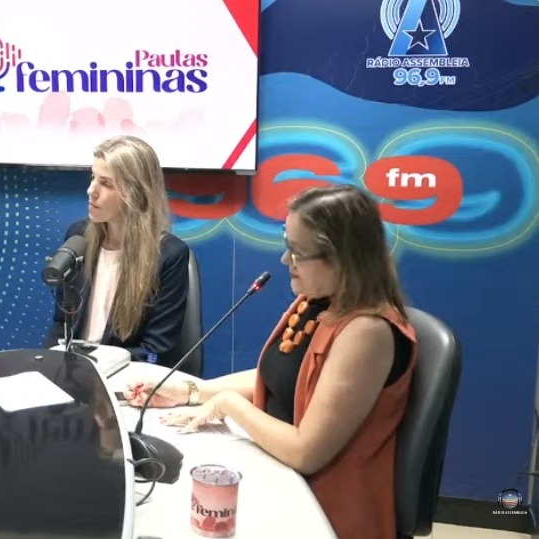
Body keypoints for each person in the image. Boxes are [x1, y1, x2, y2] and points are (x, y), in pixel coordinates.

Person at [126, 184, 417, 539]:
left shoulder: (367, 331)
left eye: (297, 252)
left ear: (342, 257)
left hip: (326, 513)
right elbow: (284, 377)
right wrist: (191, 391)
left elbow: (306, 452)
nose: (284, 260)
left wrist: (229, 404)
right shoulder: (319, 300)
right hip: (284, 479)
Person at [43, 135, 190, 366]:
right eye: (93, 177)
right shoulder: (78, 237)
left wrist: (96, 366)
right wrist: (48, 363)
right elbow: (61, 324)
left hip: (126, 376)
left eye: (106, 183)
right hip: (74, 372)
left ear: (136, 193)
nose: (91, 190)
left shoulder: (169, 255)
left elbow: (156, 351)